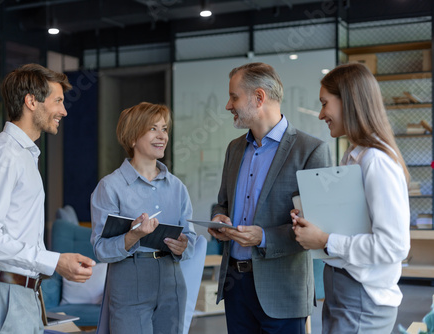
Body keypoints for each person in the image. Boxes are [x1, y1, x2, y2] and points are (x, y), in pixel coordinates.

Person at [0, 63, 95, 334]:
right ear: (31, 101)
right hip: (4, 294)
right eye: (58, 101)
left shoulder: (23, 155)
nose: (64, 110)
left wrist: (52, 262)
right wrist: (54, 261)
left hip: (21, 292)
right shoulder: (4, 155)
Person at [208, 62, 332, 333]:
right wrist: (219, 217)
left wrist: (262, 237)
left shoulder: (311, 151)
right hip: (235, 286)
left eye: (234, 97)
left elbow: (317, 229)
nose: (229, 106)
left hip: (283, 289)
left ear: (259, 97)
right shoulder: (234, 149)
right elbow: (223, 201)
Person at [291, 62, 410, 334]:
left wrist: (324, 240)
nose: (321, 114)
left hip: (362, 297)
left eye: (324, 103)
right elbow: (353, 223)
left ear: (348, 101)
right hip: (344, 289)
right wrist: (313, 220)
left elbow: (394, 246)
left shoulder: (376, 162)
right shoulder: (354, 156)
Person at [90, 102, 196, 334]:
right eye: (153, 129)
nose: (162, 136)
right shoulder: (110, 187)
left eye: (165, 129)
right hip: (129, 279)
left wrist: (183, 245)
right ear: (131, 138)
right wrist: (133, 235)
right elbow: (100, 249)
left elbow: (190, 240)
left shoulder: (177, 187)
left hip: (172, 280)